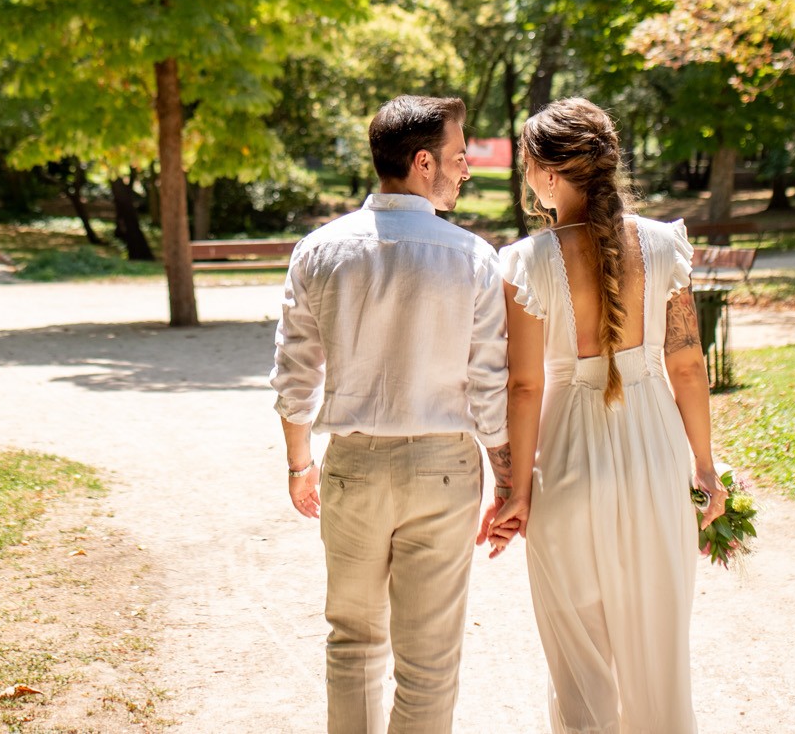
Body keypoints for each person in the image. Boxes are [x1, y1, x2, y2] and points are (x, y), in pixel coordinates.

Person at [481, 97, 725, 734]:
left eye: (527, 165)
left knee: (579, 664)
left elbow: (524, 387)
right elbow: (687, 365)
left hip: (569, 459)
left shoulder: (526, 262)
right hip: (656, 455)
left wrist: (517, 490)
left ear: (548, 173)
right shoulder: (665, 246)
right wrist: (704, 467)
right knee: (659, 653)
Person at [270, 95, 512, 734]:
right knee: (429, 664)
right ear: (423, 162)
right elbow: (489, 386)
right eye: (459, 157)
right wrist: (508, 478)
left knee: (352, 643)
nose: (467, 170)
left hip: (353, 466)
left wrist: (299, 464)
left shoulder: (318, 251)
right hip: (443, 469)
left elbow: (295, 374)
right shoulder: (472, 257)